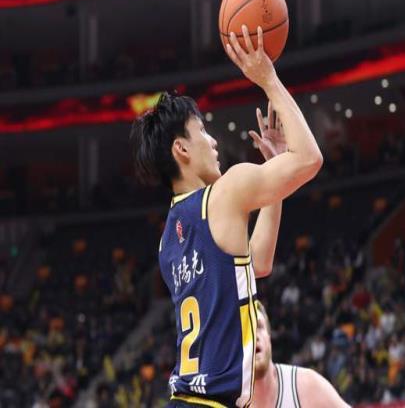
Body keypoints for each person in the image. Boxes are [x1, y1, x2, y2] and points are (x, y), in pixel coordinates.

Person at [130, 25, 323, 408]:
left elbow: (258, 263)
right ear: (182, 149)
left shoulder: (168, 240)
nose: (214, 141)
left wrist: (273, 184)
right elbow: (309, 158)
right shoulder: (224, 195)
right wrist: (268, 79)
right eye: (203, 131)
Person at [254, 302, 351, 408]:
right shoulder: (238, 398)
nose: (255, 336)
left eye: (259, 326)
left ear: (269, 336)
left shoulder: (307, 385)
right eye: (246, 331)